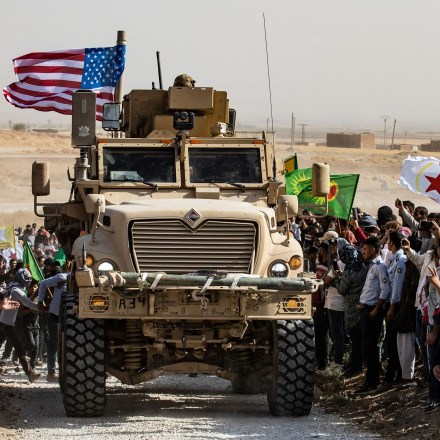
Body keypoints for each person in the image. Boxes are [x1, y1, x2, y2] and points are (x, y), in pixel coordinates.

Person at [355, 237, 391, 395]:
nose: (363, 251)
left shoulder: (380, 266)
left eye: (366, 248)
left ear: (374, 250)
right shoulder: (372, 266)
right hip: (366, 309)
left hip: (372, 312)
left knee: (371, 348)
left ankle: (372, 382)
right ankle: (369, 379)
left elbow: (385, 290)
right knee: (366, 347)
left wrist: (376, 309)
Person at [333, 239, 368, 377]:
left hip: (352, 310)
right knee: (358, 340)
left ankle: (356, 367)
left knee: (355, 340)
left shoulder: (349, 271)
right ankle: (355, 365)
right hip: (361, 306)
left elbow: (342, 289)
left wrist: (337, 277)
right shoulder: (362, 267)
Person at [0, 269, 41, 382]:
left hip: (4, 321)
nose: (29, 281)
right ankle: (30, 373)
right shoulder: (18, 290)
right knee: (19, 349)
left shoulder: (12, 285)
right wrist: (42, 307)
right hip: (6, 323)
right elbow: (29, 304)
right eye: (27, 279)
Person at [381, 230, 406, 388]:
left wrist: (392, 307)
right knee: (391, 342)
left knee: (393, 341)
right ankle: (392, 372)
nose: (387, 243)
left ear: (392, 242)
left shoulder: (401, 260)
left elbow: (397, 286)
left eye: (388, 240)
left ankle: (393, 374)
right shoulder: (395, 258)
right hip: (390, 304)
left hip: (394, 305)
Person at [37, 265, 68, 382]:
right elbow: (43, 283)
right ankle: (51, 372)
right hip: (56, 316)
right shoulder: (63, 277)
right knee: (54, 345)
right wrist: (40, 303)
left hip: (69, 317)